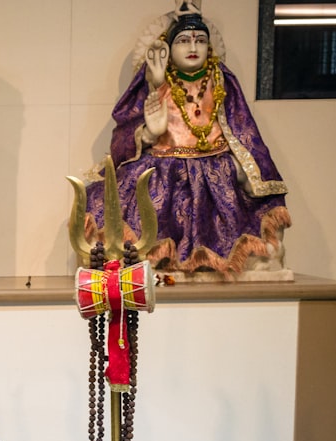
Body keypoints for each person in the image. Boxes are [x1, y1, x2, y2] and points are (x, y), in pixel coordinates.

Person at [84, 4, 291, 276]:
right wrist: (149, 131)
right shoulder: (157, 83)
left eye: (200, 40)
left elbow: (243, 128)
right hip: (162, 167)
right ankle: (150, 265)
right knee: (137, 207)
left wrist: (248, 170)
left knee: (235, 208)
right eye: (183, 40)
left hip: (215, 169)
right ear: (168, 49)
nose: (193, 46)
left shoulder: (221, 81)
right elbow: (121, 138)